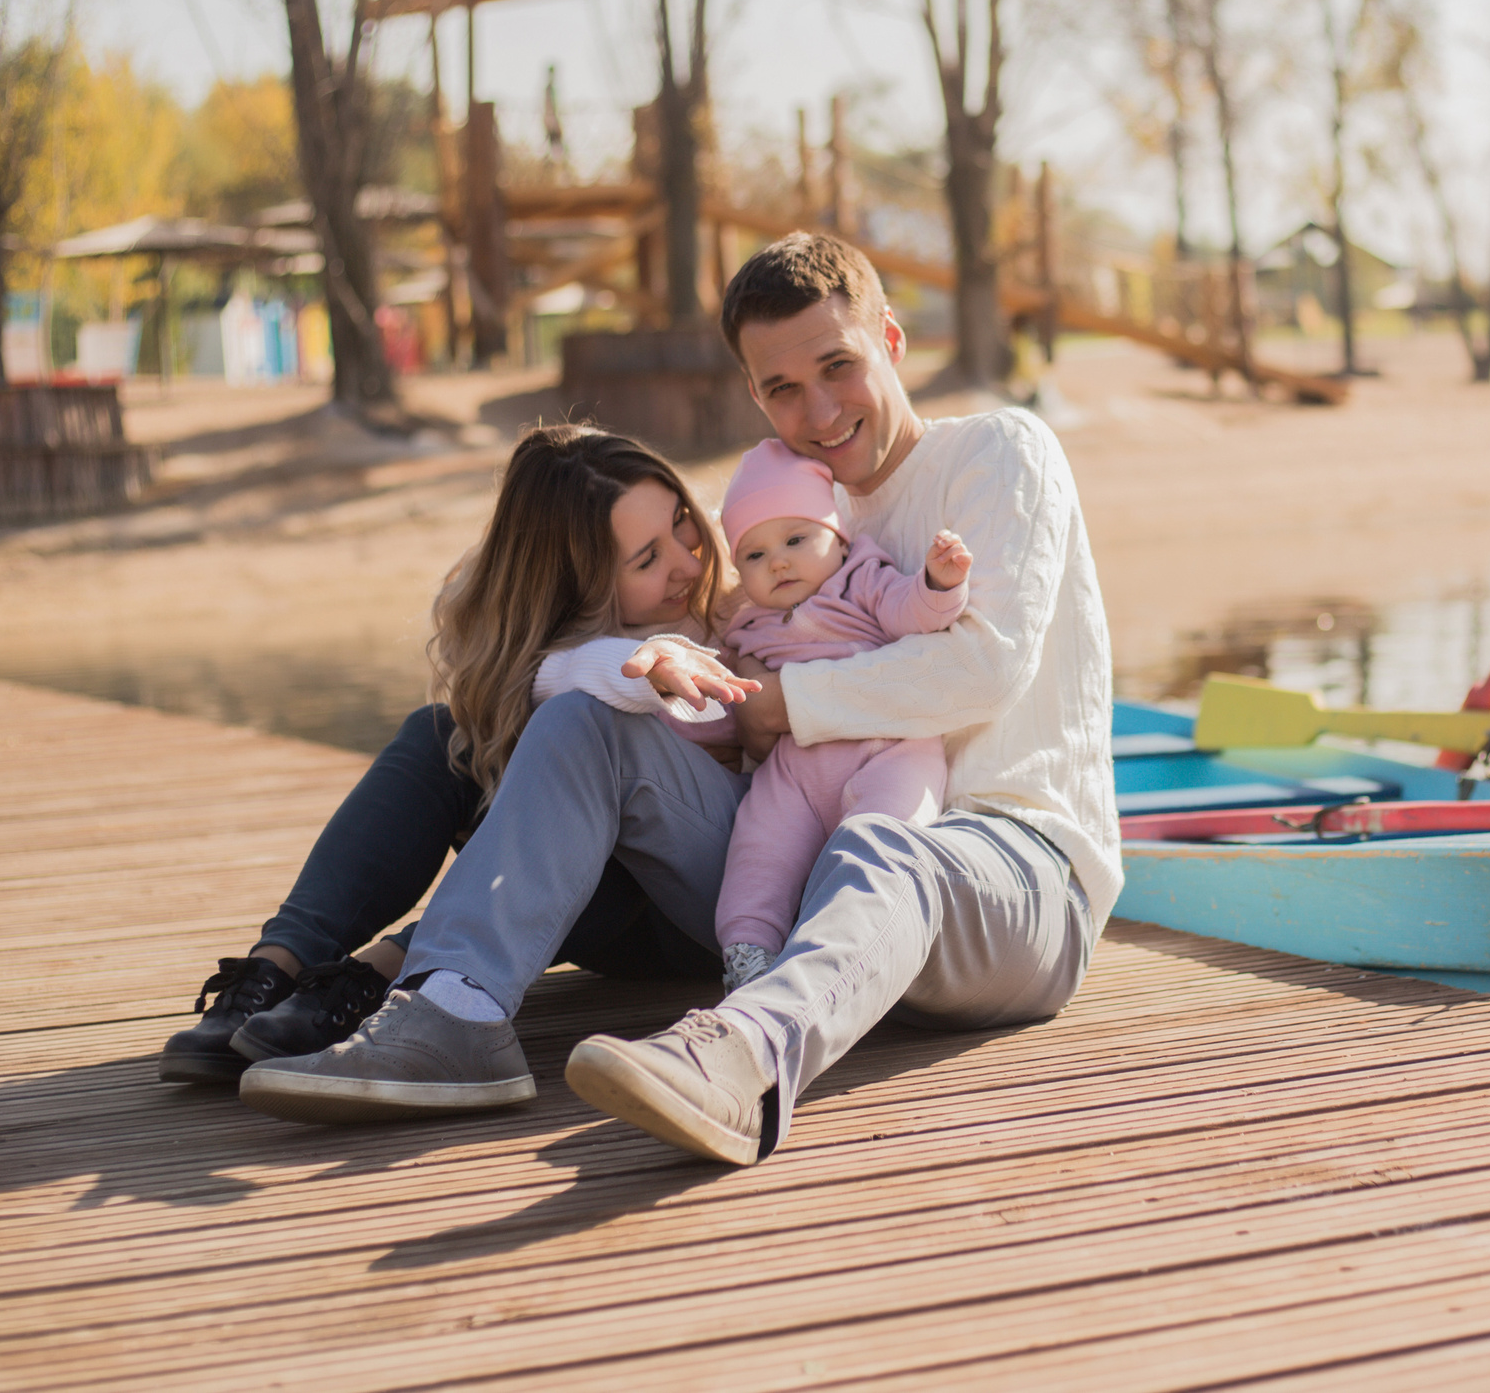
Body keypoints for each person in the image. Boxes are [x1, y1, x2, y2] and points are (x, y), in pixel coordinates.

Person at [241, 231, 1120, 1166]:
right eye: (783, 388)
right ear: (754, 394)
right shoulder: (793, 508)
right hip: (800, 868)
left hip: (1008, 873)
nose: (820, 410)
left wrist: (779, 702)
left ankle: (741, 1056)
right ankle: (455, 1012)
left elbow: (983, 667)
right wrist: (656, 671)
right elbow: (657, 662)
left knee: (885, 845)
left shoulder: (998, 450)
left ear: (892, 341)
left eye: (839, 365)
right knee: (585, 721)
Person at [155, 424, 757, 1087]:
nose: (689, 562)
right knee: (441, 734)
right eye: (647, 559)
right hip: (610, 917)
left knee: (588, 762)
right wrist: (632, 662)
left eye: (680, 523)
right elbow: (558, 672)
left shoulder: (752, 594)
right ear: (578, 584)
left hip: (721, 903)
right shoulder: (557, 650)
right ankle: (276, 969)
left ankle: (374, 977)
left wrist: (654, 668)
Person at [710, 436, 972, 990]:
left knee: (884, 838)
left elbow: (911, 614)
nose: (778, 561)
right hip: (796, 771)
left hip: (890, 751)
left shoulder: (862, 579)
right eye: (754, 555)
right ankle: (748, 950)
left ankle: (844, 949)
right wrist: (669, 697)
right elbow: (723, 700)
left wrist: (937, 583)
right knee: (759, 847)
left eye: (796, 539)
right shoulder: (747, 627)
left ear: (839, 536)